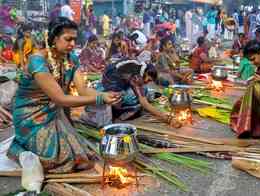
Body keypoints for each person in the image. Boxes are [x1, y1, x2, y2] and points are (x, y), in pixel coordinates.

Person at [7, 17, 121, 173]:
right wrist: (100, 98)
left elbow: (83, 90)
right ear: (54, 38)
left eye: (75, 39)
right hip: (31, 116)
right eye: (68, 39)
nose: (73, 44)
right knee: (56, 160)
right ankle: (18, 147)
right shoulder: (37, 61)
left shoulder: (71, 59)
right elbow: (60, 98)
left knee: (83, 158)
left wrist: (106, 95)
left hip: (54, 112)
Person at [102, 59, 181, 128]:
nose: (147, 82)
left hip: (123, 79)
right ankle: (114, 111)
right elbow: (144, 103)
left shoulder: (140, 71)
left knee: (144, 91)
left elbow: (143, 101)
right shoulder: (135, 76)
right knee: (117, 101)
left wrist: (167, 118)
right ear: (145, 73)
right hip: (111, 78)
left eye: (150, 81)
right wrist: (167, 119)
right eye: (148, 80)